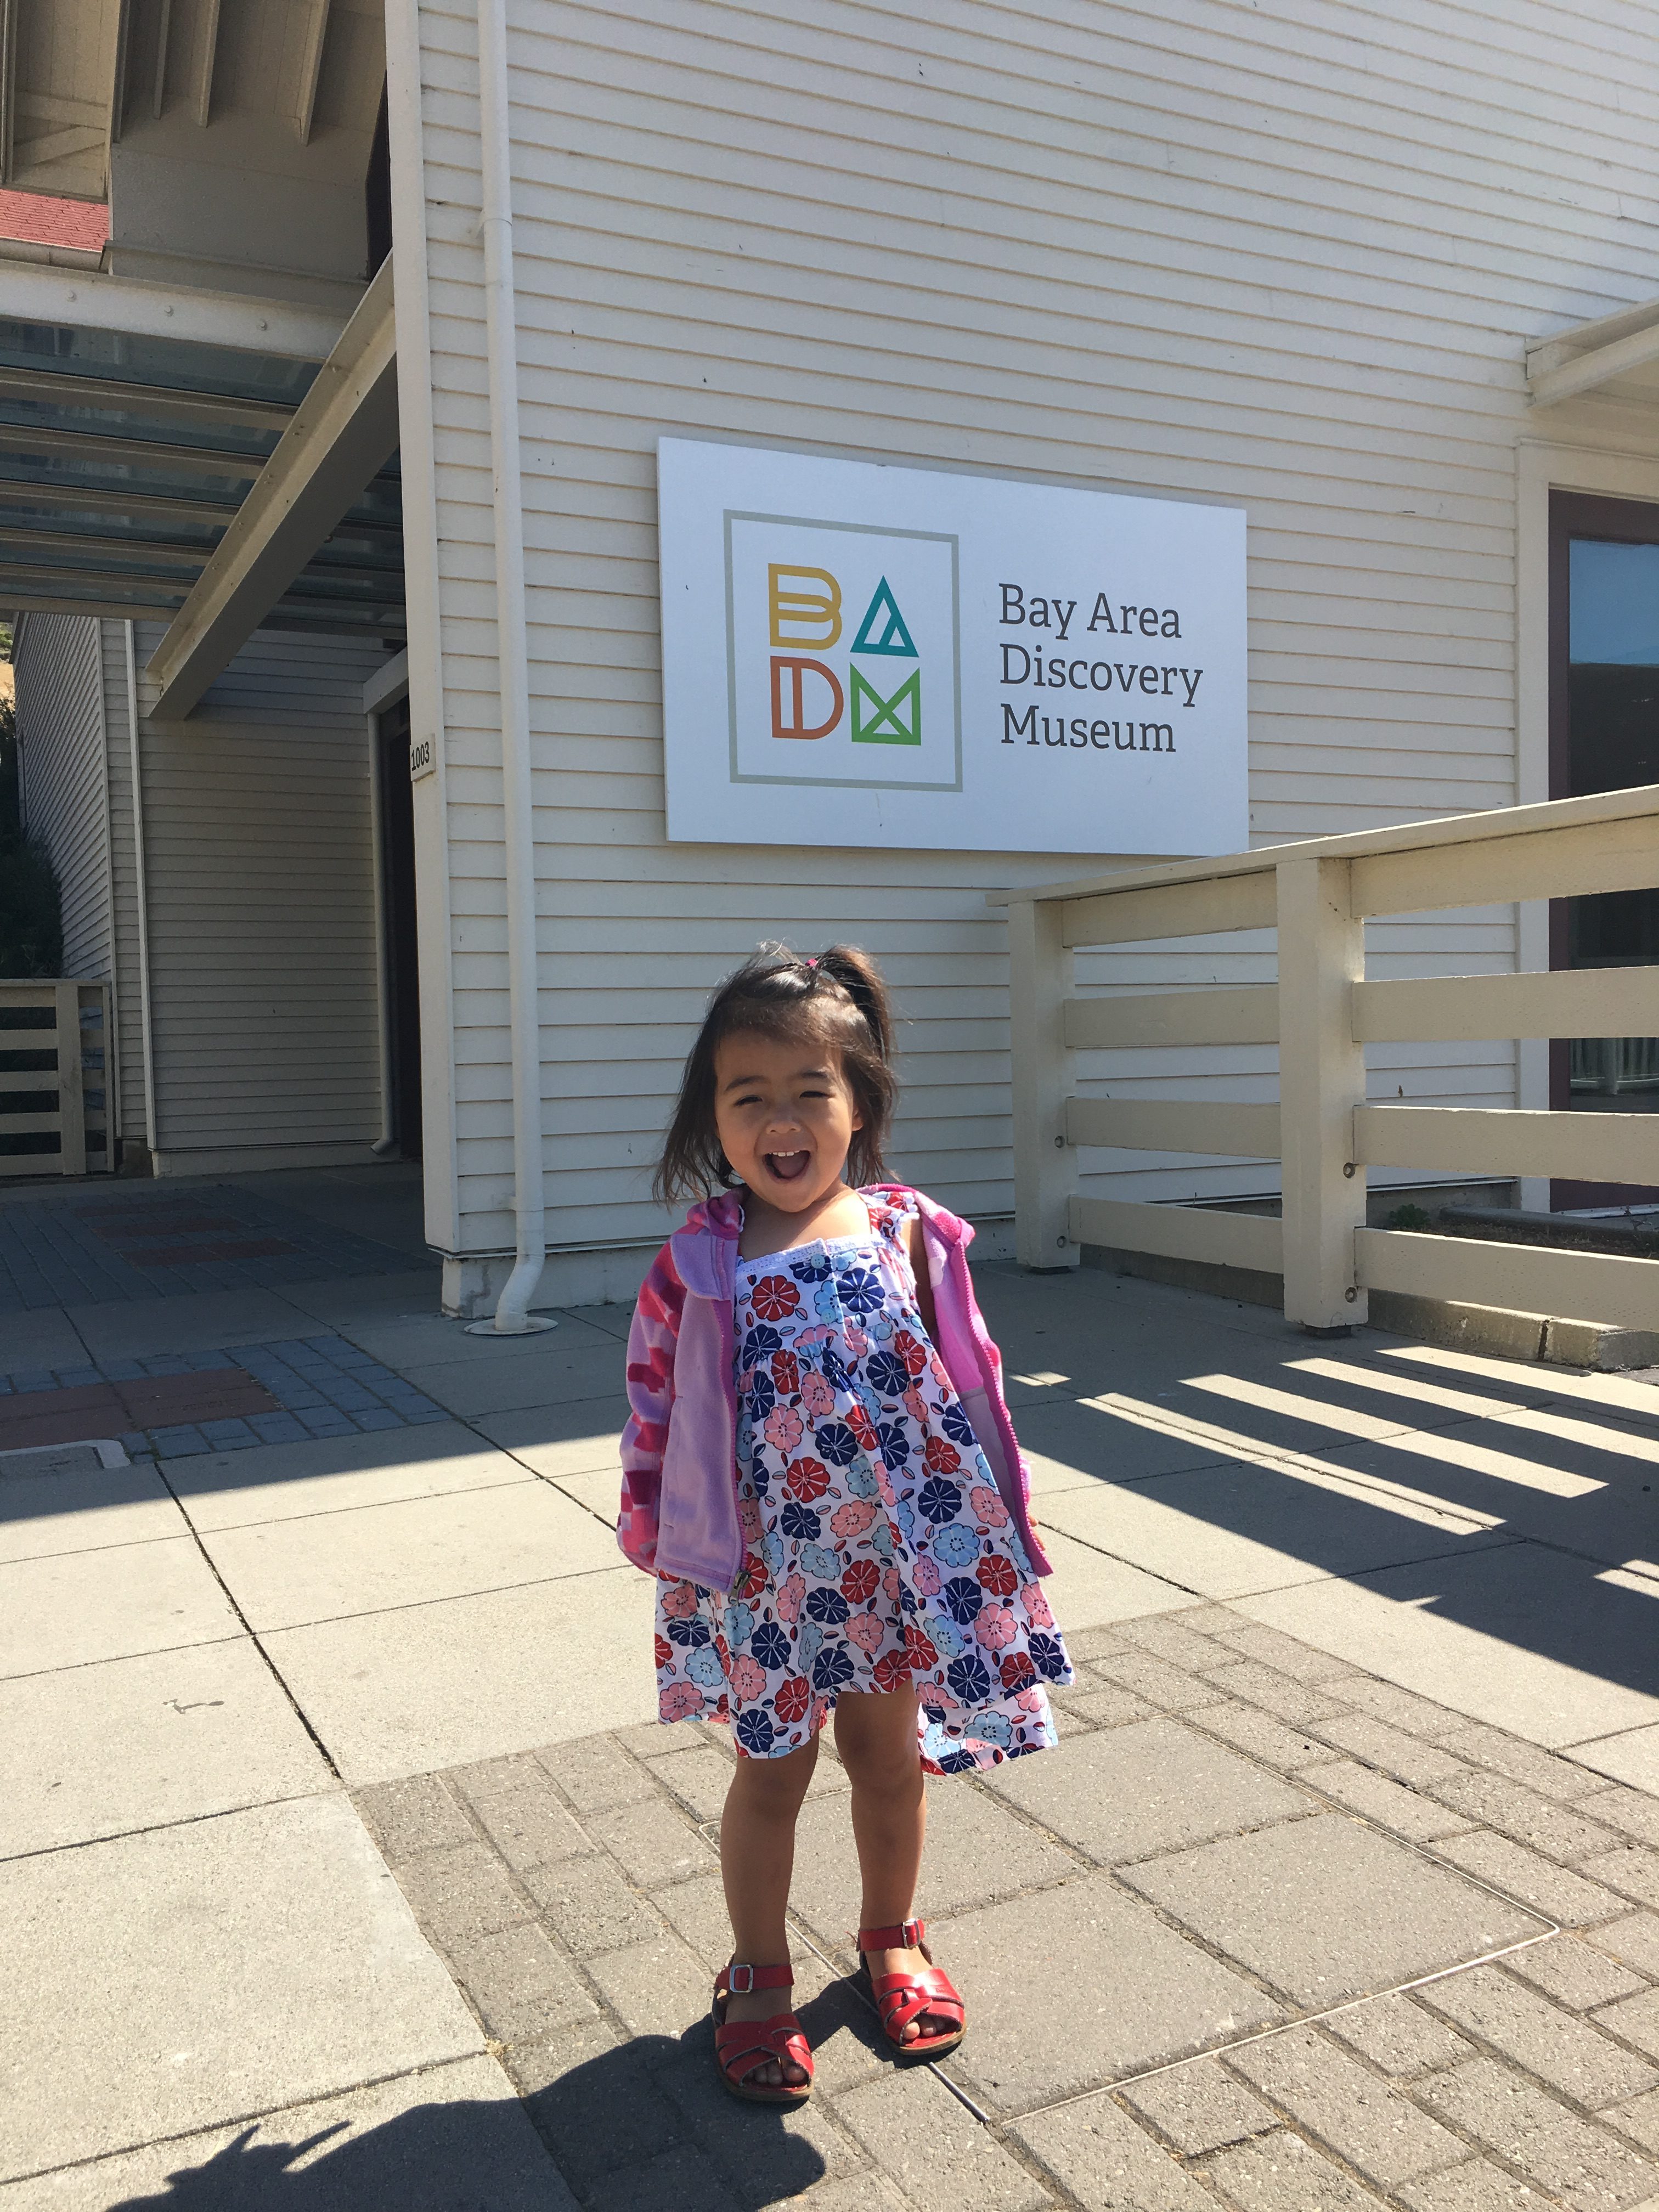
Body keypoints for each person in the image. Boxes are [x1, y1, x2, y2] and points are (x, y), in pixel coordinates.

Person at [618, 944, 1071, 2105]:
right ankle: (758, 1975)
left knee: (888, 1763)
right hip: (767, 1573)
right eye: (747, 1096)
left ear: (858, 1102)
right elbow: (655, 1408)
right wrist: (655, 1539)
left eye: (809, 1091)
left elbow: (974, 1390)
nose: (781, 1120)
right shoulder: (699, 1263)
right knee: (771, 1771)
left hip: (893, 1561)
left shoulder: (910, 1235)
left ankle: (891, 1938)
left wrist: (1004, 1523)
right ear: (711, 1118)